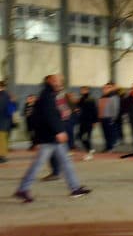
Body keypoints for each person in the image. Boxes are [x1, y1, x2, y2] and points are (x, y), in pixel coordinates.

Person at [13, 75, 90, 203]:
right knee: (39, 164)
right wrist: (59, 131)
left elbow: (55, 114)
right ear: (50, 82)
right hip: (49, 137)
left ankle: (75, 188)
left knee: (66, 162)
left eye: (60, 80)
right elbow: (50, 115)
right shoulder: (47, 96)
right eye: (57, 80)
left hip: (52, 137)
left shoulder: (51, 95)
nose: (60, 82)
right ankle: (22, 189)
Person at [76, 86, 98, 159]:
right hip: (82, 121)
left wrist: (95, 121)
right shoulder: (82, 99)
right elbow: (78, 106)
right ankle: (90, 149)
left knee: (87, 137)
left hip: (89, 121)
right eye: (81, 90)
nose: (81, 91)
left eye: (83, 90)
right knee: (79, 136)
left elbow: (95, 111)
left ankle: (89, 153)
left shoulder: (91, 99)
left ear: (87, 90)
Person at [99, 83, 120, 151]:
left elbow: (115, 108)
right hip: (102, 118)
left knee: (110, 134)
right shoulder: (102, 97)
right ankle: (107, 146)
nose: (105, 89)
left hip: (109, 118)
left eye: (107, 88)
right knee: (105, 134)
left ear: (110, 89)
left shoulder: (114, 97)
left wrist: (113, 118)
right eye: (104, 88)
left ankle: (111, 147)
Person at [0, 80, 14, 163]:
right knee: (3, 139)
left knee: (1, 139)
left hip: (2, 121)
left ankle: (2, 157)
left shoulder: (3, 95)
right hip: (6, 121)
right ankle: (2, 155)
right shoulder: (7, 95)